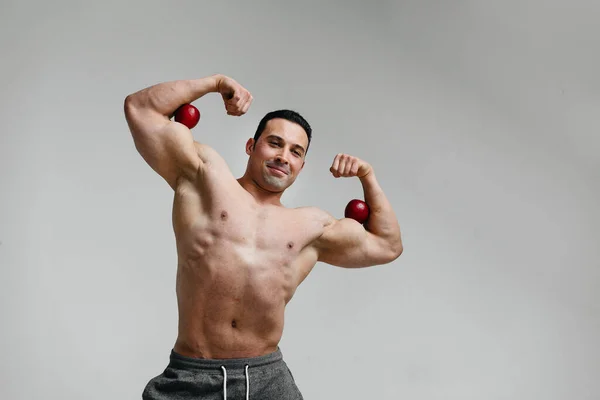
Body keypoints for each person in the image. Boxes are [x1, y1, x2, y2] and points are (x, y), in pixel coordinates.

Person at [123, 74, 403, 400]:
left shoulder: (312, 227)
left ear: (301, 165)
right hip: (192, 377)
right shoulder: (205, 177)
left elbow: (388, 244)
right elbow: (140, 109)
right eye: (275, 143)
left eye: (296, 152)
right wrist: (215, 83)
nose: (284, 156)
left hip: (268, 382)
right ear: (251, 146)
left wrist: (368, 177)